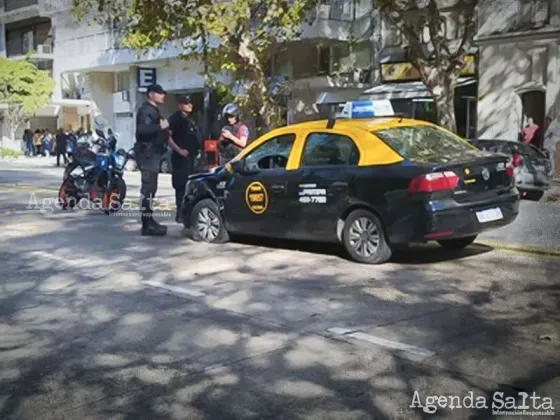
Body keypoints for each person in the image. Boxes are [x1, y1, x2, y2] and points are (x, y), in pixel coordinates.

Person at [134, 83, 170, 236]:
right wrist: (160, 127)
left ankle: (150, 221)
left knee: (152, 189)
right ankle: (146, 224)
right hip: (147, 154)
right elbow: (142, 131)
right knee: (148, 189)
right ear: (151, 94)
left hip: (154, 154)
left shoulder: (154, 110)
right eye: (159, 93)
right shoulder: (146, 110)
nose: (162, 95)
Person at [168, 94, 203, 223]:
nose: (190, 105)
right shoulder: (175, 118)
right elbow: (168, 137)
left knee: (192, 187)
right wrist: (179, 150)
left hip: (193, 158)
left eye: (190, 103)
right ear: (180, 105)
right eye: (187, 103)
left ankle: (188, 213)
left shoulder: (191, 119)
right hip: (180, 158)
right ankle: (180, 213)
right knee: (181, 186)